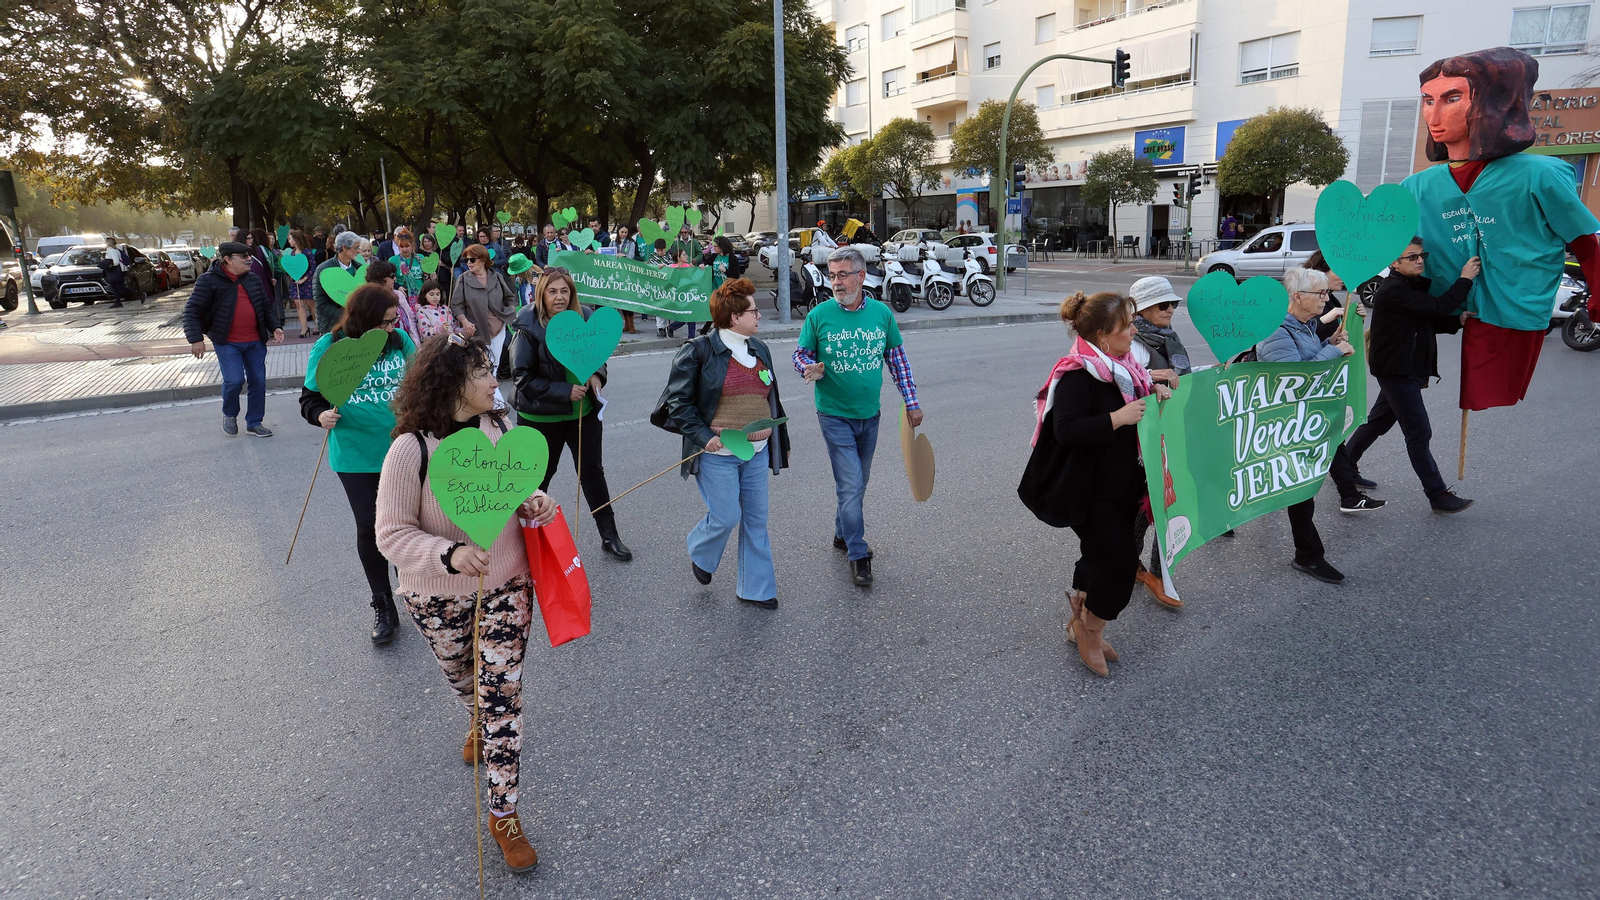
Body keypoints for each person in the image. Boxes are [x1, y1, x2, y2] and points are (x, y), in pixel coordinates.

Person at [375, 333, 555, 874]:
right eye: (482, 372)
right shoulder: (412, 448)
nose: (493, 381)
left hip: (508, 585)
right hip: (436, 595)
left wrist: (534, 502)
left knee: (502, 697)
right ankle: (476, 717)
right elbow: (390, 533)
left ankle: (504, 811)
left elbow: (512, 489)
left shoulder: (503, 428)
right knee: (466, 683)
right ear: (453, 382)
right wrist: (447, 554)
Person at [1018, 290, 1167, 676]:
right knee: (1118, 565)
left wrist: (1155, 389)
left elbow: (1137, 394)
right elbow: (1066, 430)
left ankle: (1078, 620)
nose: (1134, 331)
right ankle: (1090, 630)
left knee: (1097, 557)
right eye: (1127, 326)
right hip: (1088, 491)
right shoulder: (1077, 373)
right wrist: (1117, 419)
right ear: (1102, 335)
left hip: (1123, 485)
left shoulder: (1125, 366)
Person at [794, 246, 923, 587]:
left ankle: (841, 531)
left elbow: (898, 361)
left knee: (858, 482)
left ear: (861, 276)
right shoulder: (818, 316)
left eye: (842, 275)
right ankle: (858, 553)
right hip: (834, 415)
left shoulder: (881, 314)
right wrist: (808, 367)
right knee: (851, 485)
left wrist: (912, 403)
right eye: (832, 275)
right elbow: (800, 354)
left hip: (871, 414)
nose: (835, 282)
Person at [661, 278, 790, 608]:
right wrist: (705, 437)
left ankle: (756, 589)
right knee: (726, 516)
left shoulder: (759, 349)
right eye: (754, 310)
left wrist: (780, 441)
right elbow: (679, 404)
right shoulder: (698, 350)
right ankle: (701, 551)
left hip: (757, 453)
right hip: (718, 454)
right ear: (734, 317)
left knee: (756, 522)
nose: (759, 315)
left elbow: (772, 401)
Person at [300, 284, 416, 643]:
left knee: (406, 524)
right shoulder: (331, 346)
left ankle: (413, 591)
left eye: (393, 320)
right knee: (370, 526)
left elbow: (421, 385)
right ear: (364, 319)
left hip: (401, 449)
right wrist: (319, 416)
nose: (390, 328)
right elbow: (310, 397)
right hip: (353, 453)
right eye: (384, 322)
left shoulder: (400, 342)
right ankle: (382, 603)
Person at [1331, 238, 1478, 514]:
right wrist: (1465, 280)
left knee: (1377, 422)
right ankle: (1438, 495)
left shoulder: (1407, 287)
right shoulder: (1396, 289)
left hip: (1399, 367)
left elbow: (1425, 320)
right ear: (1394, 263)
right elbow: (1437, 307)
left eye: (1422, 255)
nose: (1420, 260)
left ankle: (1346, 465)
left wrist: (1455, 321)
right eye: (1411, 257)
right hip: (1397, 370)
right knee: (1419, 432)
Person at [508, 268, 632, 561]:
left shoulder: (585, 317)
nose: (559, 297)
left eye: (564, 291)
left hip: (582, 415)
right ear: (542, 294)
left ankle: (609, 535)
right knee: (540, 480)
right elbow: (521, 377)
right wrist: (564, 391)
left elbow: (598, 356)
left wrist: (597, 376)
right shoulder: (527, 325)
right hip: (541, 419)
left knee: (592, 473)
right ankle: (527, 539)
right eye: (553, 292)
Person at [1255, 267, 1357, 584]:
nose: (1326, 299)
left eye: (1326, 293)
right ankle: (1309, 556)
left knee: (1298, 488)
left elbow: (1308, 358)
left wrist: (1330, 340)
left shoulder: (1306, 324)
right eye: (1321, 294)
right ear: (1298, 297)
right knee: (1300, 490)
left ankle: (1308, 553)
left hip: (1302, 422)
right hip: (1281, 424)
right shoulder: (1274, 330)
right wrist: (1333, 350)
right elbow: (1292, 379)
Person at [1126, 276, 1188, 608]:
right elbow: (1123, 376)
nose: (1171, 310)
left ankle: (1133, 564)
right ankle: (1157, 575)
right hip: (1146, 440)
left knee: (1151, 504)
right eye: (1163, 305)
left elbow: (1182, 376)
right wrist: (1151, 379)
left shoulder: (1165, 336)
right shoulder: (1135, 340)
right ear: (1143, 308)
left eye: (1173, 304)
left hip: (1169, 431)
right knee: (1161, 504)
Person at [182, 241, 285, 437]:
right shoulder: (208, 280)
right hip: (227, 342)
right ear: (228, 260)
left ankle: (254, 422)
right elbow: (192, 310)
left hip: (255, 341)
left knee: (258, 382)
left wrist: (275, 327)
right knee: (234, 380)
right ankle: (229, 414)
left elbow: (264, 306)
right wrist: (195, 339)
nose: (249, 260)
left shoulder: (253, 279)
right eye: (244, 257)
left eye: (249, 256)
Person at [450, 244, 516, 409]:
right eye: (466, 260)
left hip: (498, 329)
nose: (469, 263)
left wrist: (508, 311)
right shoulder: (464, 279)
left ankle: (491, 404)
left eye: (473, 259)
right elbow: (456, 305)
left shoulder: (497, 277)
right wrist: (464, 321)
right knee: (484, 368)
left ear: (484, 260)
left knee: (494, 366)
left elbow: (510, 297)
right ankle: (495, 405)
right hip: (477, 332)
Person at [314, 230, 366, 334]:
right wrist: (347, 315)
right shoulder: (324, 270)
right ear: (344, 248)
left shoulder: (360, 270)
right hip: (333, 326)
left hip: (357, 325)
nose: (358, 251)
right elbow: (321, 304)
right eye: (356, 248)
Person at [364, 259, 420, 345]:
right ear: (381, 278)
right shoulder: (371, 300)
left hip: (407, 342)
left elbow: (410, 317)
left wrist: (416, 343)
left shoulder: (399, 295)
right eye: (392, 276)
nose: (395, 278)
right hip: (387, 344)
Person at [284, 230, 318, 339]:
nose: (289, 241)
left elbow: (313, 267)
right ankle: (304, 328)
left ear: (296, 239)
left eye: (290, 239)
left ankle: (317, 325)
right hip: (296, 282)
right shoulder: (292, 253)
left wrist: (305, 278)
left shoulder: (307, 252)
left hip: (307, 281)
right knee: (299, 304)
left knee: (310, 304)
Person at [612, 224, 642, 334]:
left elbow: (631, 256)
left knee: (628, 299)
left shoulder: (631, 243)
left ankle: (631, 324)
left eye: (625, 232)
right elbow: (608, 255)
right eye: (622, 232)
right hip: (617, 274)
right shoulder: (613, 242)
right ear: (618, 232)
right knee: (621, 301)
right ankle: (626, 324)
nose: (624, 234)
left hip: (628, 274)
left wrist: (622, 255)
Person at [390, 231, 426, 302]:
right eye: (401, 247)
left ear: (412, 246)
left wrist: (432, 275)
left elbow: (427, 275)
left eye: (407, 246)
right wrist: (398, 287)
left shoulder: (420, 258)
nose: (404, 249)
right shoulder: (393, 260)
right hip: (404, 296)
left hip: (422, 294)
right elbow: (389, 278)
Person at [101, 236, 135, 308]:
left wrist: (109, 265)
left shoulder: (112, 250)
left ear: (108, 243)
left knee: (120, 287)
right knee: (115, 287)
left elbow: (116, 262)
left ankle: (139, 294)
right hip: (115, 270)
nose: (104, 243)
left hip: (115, 270)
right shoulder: (113, 250)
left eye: (105, 242)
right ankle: (118, 302)